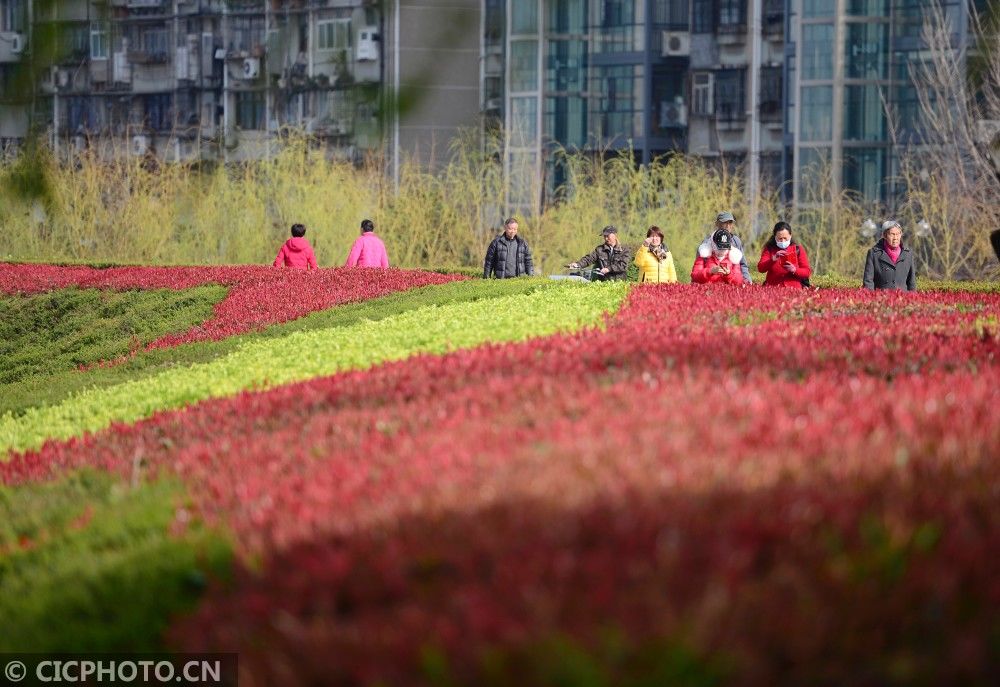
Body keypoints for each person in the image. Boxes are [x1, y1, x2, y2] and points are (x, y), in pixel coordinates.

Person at [697, 211, 752, 284]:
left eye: (730, 222)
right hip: (711, 285)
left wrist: (747, 281)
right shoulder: (707, 243)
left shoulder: (736, 241)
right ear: (717, 224)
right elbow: (698, 269)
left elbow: (742, 264)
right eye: (725, 222)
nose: (728, 225)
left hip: (732, 284)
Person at [863, 220, 916, 291]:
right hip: (881, 298)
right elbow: (868, 281)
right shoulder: (874, 254)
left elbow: (911, 283)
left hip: (903, 299)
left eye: (898, 234)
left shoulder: (907, 254)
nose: (895, 238)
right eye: (892, 234)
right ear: (885, 235)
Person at [757, 221, 812, 288]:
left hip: (794, 289)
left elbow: (807, 272)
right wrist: (772, 260)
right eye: (780, 239)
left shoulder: (798, 249)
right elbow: (761, 268)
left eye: (785, 238)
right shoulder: (769, 249)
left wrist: (795, 270)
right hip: (772, 289)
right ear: (775, 237)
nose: (783, 241)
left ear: (790, 236)